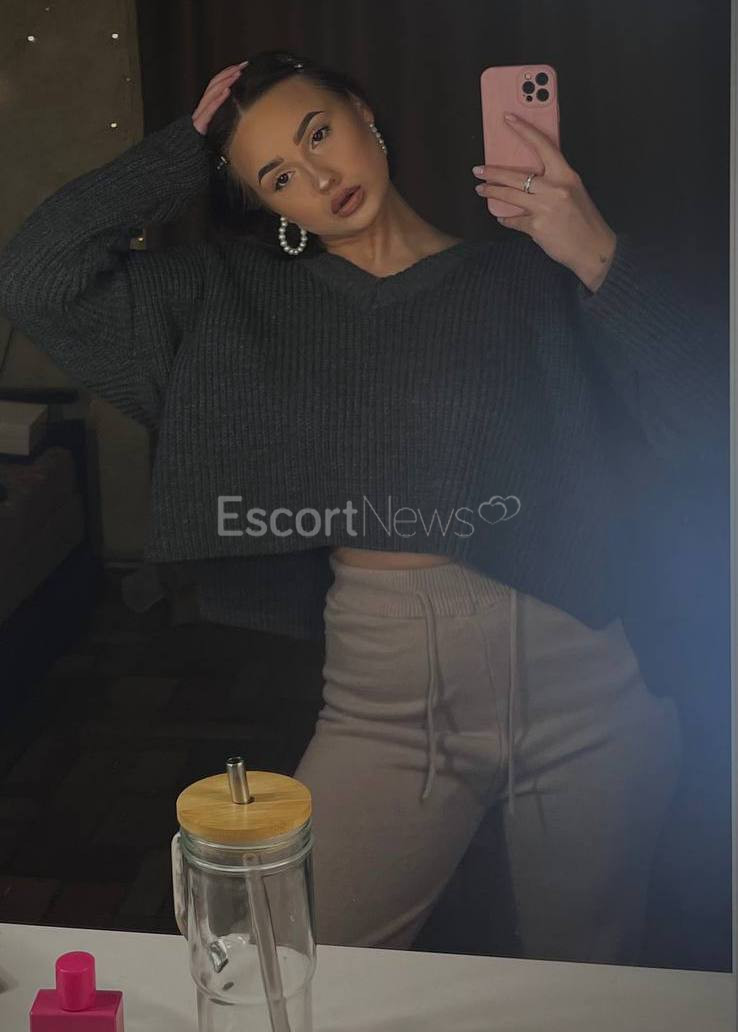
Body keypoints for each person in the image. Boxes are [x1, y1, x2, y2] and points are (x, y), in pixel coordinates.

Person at [0, 49, 725, 964]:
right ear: (263, 204)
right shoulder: (228, 299)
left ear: (362, 113)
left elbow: (711, 410)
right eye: (276, 176)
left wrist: (591, 248)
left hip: (591, 691)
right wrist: (184, 151)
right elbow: (38, 280)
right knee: (289, 967)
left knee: (590, 982)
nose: (318, 178)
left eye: (319, 133)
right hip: (386, 703)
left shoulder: (527, 274)